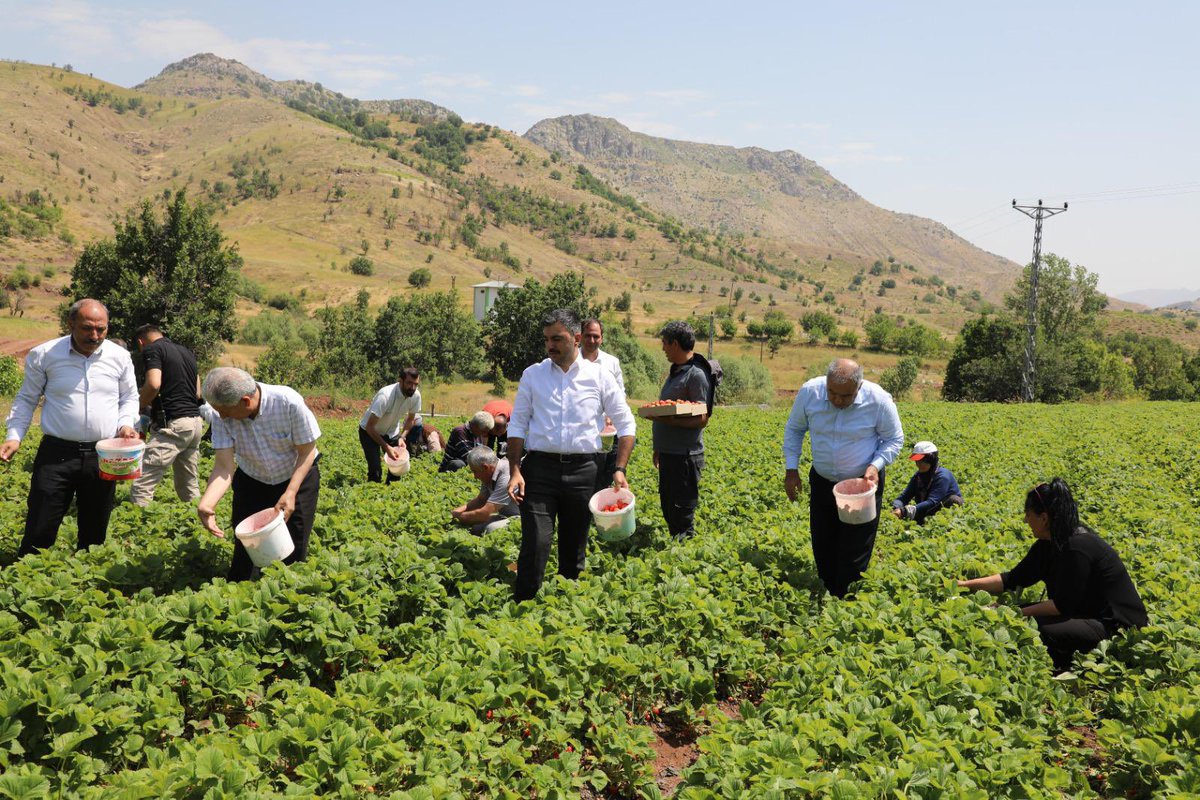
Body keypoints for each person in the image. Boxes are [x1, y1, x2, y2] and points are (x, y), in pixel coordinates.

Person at [507, 309, 637, 601]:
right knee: (536, 542)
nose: (550, 345)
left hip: (584, 471)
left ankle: (566, 612)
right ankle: (523, 608)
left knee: (574, 545)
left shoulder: (600, 376)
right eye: (546, 340)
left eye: (557, 339)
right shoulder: (533, 375)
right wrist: (515, 469)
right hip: (539, 470)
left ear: (577, 338)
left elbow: (626, 423)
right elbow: (517, 424)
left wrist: (619, 468)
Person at [957, 478, 1147, 673]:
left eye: (1028, 515)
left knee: (1036, 627)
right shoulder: (1048, 544)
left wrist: (1012, 613)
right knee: (1013, 614)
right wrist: (963, 585)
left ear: (1044, 518)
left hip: (1117, 628)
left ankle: (1065, 666)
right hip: (1085, 613)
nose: (1025, 521)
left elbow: (1061, 606)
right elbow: (1012, 579)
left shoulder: (1078, 547)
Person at [1, 299, 139, 555]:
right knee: (41, 522)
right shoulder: (45, 354)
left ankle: (85, 578)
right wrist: (15, 435)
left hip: (103, 454)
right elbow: (27, 397)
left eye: (101, 329)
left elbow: (129, 398)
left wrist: (125, 424)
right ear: (71, 323)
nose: (95, 335)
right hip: (57, 453)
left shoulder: (119, 357)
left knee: (95, 526)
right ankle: (29, 574)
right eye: (87, 328)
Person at [783, 358, 904, 598]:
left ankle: (846, 600)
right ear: (826, 384)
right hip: (823, 481)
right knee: (823, 540)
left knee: (856, 545)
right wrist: (791, 470)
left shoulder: (878, 400)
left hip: (862, 485)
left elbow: (894, 439)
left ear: (858, 387)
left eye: (845, 396)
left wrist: (875, 466)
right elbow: (794, 429)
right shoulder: (810, 392)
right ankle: (826, 589)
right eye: (832, 393)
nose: (837, 400)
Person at [195, 368, 322, 581]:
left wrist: (290, 492)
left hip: (296, 477)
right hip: (252, 479)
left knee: (294, 542)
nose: (221, 416)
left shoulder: (287, 402)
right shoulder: (222, 415)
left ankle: (289, 595)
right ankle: (241, 591)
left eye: (225, 411)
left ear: (245, 401)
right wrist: (207, 503)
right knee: (247, 543)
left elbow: (306, 451)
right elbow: (224, 466)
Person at [129, 324, 205, 506]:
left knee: (144, 479)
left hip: (173, 424)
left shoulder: (152, 349)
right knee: (189, 483)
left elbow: (154, 384)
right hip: (195, 423)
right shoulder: (186, 352)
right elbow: (198, 393)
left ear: (141, 342)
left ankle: (137, 524)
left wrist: (136, 406)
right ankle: (195, 518)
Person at [653, 321, 715, 542]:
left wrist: (669, 420)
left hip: (685, 457)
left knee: (682, 510)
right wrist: (659, 447)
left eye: (665, 343)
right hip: (670, 454)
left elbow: (701, 418)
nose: (663, 348)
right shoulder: (677, 372)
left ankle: (684, 557)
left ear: (675, 343)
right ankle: (676, 547)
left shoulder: (696, 375)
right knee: (669, 506)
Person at [581, 318, 625, 490]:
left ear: (602, 338)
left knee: (604, 472)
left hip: (606, 430)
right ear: (579, 336)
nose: (592, 341)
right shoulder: (571, 360)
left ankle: (597, 509)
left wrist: (611, 416)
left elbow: (620, 394)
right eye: (588, 336)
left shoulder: (611, 362)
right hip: (581, 429)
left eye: (596, 336)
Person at [359, 368, 422, 483]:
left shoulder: (416, 396)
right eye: (409, 383)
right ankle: (373, 493)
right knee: (375, 470)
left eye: (415, 384)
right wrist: (386, 447)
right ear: (400, 381)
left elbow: (411, 419)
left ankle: (391, 494)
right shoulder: (385, 395)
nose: (412, 388)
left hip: (391, 432)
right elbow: (370, 427)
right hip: (369, 432)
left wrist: (402, 437)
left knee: (398, 466)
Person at [451, 446, 521, 534]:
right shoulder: (488, 474)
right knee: (477, 528)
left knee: (491, 528)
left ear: (485, 467)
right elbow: (481, 500)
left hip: (521, 518)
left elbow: (485, 514)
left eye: (475, 471)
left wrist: (458, 517)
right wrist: (455, 512)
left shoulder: (507, 476)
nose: (475, 477)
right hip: (505, 515)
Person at [890, 441, 963, 523]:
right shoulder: (918, 476)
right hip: (927, 508)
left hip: (939, 508)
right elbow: (904, 497)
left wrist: (904, 511)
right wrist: (896, 507)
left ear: (932, 460)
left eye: (922, 461)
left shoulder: (943, 476)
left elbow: (932, 501)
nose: (918, 464)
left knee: (954, 500)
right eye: (917, 461)